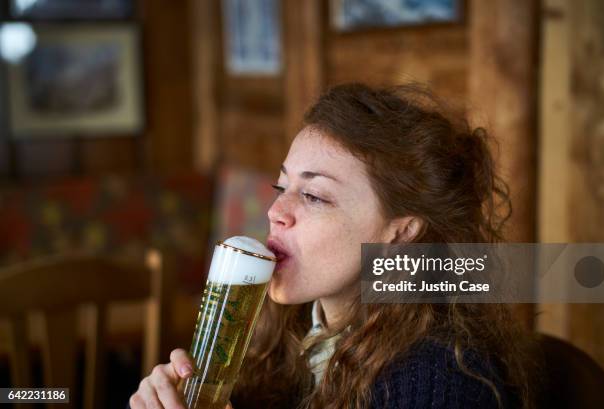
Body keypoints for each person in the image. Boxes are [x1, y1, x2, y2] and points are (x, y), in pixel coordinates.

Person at [128, 83, 537, 409]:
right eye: (282, 186)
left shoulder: (438, 377)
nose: (275, 211)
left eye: (315, 196)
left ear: (402, 231)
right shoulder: (287, 330)